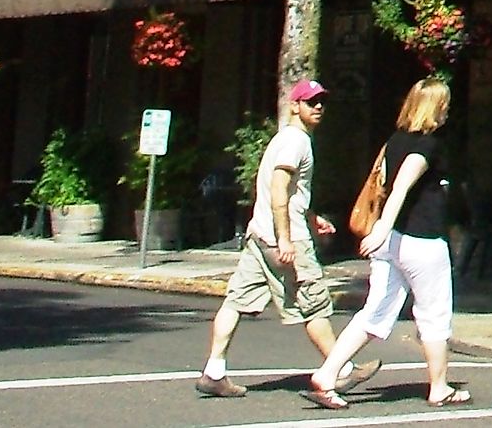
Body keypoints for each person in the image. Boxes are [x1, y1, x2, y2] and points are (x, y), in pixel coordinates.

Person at [196, 80, 377, 400]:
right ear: (295, 106)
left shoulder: (284, 139)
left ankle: (214, 371)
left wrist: (310, 217)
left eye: (321, 101)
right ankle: (341, 371)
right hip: (282, 237)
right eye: (310, 102)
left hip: (260, 235)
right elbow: (279, 189)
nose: (318, 107)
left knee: (236, 300)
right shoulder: (296, 142)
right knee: (314, 303)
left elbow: (284, 193)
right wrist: (286, 238)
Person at [309, 78, 468, 410]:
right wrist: (381, 227)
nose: (448, 110)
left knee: (375, 312)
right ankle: (439, 387)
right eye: (445, 104)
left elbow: (383, 183)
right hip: (421, 241)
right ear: (436, 107)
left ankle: (327, 373)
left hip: (392, 245)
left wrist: (384, 232)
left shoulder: (394, 141)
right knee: (434, 315)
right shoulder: (428, 145)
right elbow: (400, 187)